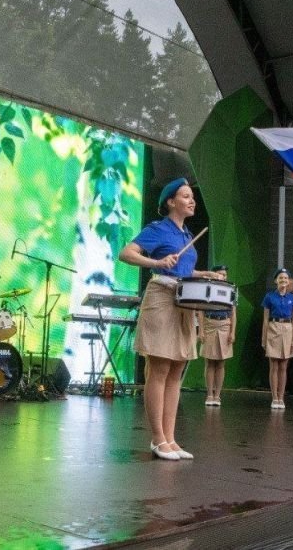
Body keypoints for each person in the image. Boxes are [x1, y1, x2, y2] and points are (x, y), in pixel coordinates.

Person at [119, 178, 219, 461]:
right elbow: (126, 253)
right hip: (162, 298)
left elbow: (184, 268)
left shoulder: (187, 235)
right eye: (185, 196)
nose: (192, 201)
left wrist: (205, 275)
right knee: (160, 368)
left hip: (184, 301)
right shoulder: (157, 229)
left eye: (192, 197)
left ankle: (171, 439)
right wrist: (156, 263)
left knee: (177, 371)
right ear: (170, 202)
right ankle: (157, 438)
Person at [261, 268, 293, 409]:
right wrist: (264, 338)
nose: (283, 280)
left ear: (289, 281)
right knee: (274, 365)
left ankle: (281, 397)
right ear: (276, 281)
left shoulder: (292, 298)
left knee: (283, 366)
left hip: (288, 328)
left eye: (286, 278)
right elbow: (265, 319)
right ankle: (274, 397)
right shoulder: (269, 296)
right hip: (273, 327)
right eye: (281, 278)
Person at [199, 265, 235, 407]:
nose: (222, 277)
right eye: (219, 274)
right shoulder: (206, 290)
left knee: (221, 362)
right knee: (209, 361)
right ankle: (209, 394)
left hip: (224, 325)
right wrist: (200, 330)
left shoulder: (231, 290)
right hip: (209, 324)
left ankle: (217, 395)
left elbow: (233, 313)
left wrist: (232, 332)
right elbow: (200, 311)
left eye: (224, 274)